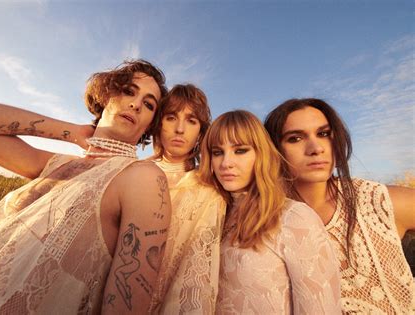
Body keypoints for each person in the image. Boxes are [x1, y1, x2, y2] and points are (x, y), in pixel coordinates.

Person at [0, 59, 172, 314]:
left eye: (149, 104)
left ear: (150, 124)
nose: (136, 104)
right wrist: (72, 132)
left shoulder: (142, 178)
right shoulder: (55, 165)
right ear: (107, 95)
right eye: (129, 90)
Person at [264, 98, 415, 314]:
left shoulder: (377, 201)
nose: (316, 148)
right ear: (273, 149)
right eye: (295, 138)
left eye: (324, 134)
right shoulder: (261, 219)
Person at [199, 110, 341, 314]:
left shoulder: (294, 217)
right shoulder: (214, 215)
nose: (226, 163)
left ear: (261, 154)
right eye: (217, 152)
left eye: (240, 150)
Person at [147, 84, 226, 313]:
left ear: (201, 132)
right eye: (171, 117)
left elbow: (197, 280)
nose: (180, 129)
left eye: (191, 120)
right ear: (159, 123)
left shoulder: (210, 191)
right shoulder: (130, 172)